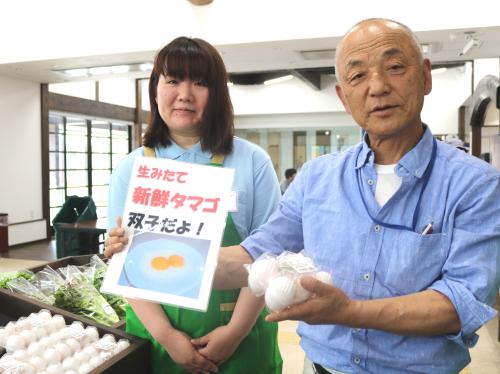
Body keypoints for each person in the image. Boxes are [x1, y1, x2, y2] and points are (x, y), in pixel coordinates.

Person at [211, 19, 500, 373]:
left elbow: (462, 303)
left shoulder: (475, 184)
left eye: (394, 67)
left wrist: (348, 312)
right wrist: (148, 254)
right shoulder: (316, 177)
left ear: (425, 77)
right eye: (358, 76)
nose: (377, 87)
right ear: (343, 96)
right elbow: (251, 256)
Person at [105, 36, 282, 374]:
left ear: (217, 94)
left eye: (200, 83)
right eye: (173, 80)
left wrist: (234, 333)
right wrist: (167, 336)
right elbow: (121, 264)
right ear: (156, 88)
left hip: (241, 341)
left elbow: (269, 257)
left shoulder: (252, 162)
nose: (185, 94)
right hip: (157, 340)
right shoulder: (131, 168)